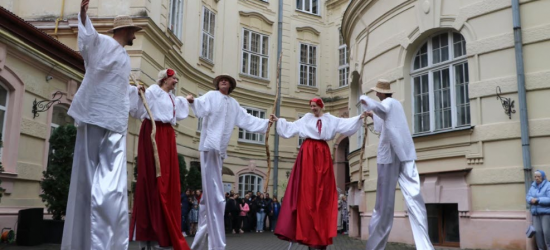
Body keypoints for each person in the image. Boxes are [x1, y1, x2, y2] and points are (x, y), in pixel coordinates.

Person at [62, 1, 144, 249]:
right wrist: (83, 14)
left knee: (113, 187)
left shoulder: (124, 58)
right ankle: (83, 241)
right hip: (95, 116)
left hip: (115, 122)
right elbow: (89, 40)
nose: (134, 34)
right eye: (132, 30)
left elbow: (117, 88)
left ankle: (107, 241)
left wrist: (134, 91)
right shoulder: (105, 44)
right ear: (123, 31)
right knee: (87, 180)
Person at [187, 74, 270, 250]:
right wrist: (193, 101)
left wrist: (265, 123)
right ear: (217, 84)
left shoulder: (234, 104)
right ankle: (209, 226)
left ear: (230, 86)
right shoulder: (211, 95)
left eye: (227, 81)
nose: (223, 82)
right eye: (221, 80)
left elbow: (247, 119)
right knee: (213, 192)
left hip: (220, 149)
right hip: (209, 145)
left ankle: (207, 232)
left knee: (213, 195)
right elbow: (200, 105)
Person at [271, 98, 366, 250]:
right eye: (311, 106)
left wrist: (359, 117)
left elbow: (344, 124)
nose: (313, 108)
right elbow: (292, 126)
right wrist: (279, 121)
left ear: (321, 106)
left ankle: (319, 233)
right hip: (308, 152)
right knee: (308, 189)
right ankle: (306, 230)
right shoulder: (306, 119)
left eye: (315, 106)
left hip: (322, 152)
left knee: (322, 189)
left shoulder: (329, 119)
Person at [360, 79, 433, 250]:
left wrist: (365, 100)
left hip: (389, 154)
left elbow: (382, 110)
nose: (376, 94)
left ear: (381, 92)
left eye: (376, 92)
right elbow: (385, 120)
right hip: (403, 152)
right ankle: (425, 246)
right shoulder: (396, 104)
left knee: (383, 203)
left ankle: (375, 244)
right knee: (414, 196)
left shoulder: (387, 102)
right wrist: (372, 114)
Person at [129, 69, 190, 249]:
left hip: (167, 135)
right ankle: (149, 232)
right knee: (153, 178)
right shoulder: (154, 91)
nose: (176, 82)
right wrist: (138, 91)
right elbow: (140, 103)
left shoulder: (172, 98)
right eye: (174, 79)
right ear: (165, 79)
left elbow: (181, 108)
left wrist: (189, 100)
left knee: (167, 179)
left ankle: (164, 230)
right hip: (154, 131)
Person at [526, 170, 550, 249]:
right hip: (535, 214)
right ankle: (541, 248)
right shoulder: (533, 186)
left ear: (543, 177)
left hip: (545, 213)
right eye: (535, 176)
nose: (536, 178)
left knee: (546, 232)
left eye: (538, 176)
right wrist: (530, 200)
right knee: (538, 233)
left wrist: (538, 200)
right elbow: (528, 196)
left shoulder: (548, 185)